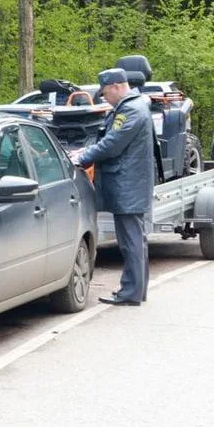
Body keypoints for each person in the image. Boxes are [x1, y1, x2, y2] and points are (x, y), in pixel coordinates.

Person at [69, 68, 154, 306]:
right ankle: (136, 290)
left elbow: (112, 144)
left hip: (128, 186)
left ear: (117, 86)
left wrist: (83, 157)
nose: (104, 98)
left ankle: (131, 292)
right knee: (135, 239)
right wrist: (85, 151)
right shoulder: (132, 107)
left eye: (106, 93)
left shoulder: (131, 109)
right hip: (130, 185)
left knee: (131, 241)